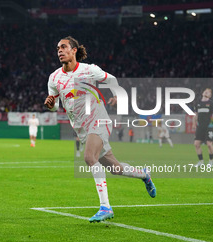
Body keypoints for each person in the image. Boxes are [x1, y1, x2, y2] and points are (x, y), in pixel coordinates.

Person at [44, 36, 156, 223]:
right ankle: (144, 175)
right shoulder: (54, 78)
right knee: (115, 168)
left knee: (89, 158)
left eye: (63, 47)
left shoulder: (89, 70)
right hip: (81, 129)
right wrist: (50, 105)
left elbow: (111, 79)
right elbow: (55, 106)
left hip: (99, 120)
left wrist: (117, 95)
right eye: (57, 48)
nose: (59, 51)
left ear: (74, 50)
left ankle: (105, 207)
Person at [192, 88, 213, 167]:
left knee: (209, 144)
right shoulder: (198, 103)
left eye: (209, 92)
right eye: (205, 91)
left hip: (209, 126)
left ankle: (211, 161)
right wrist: (193, 124)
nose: (207, 92)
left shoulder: (211, 103)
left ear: (210, 96)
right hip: (200, 126)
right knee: (196, 144)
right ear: (203, 93)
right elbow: (195, 115)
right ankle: (201, 161)